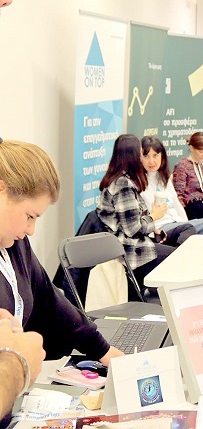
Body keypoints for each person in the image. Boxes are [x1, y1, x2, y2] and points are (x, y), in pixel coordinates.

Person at [0, 139, 123, 427]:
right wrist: (18, 364)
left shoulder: (14, 245)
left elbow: (50, 299)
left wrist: (104, 350)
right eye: (29, 216)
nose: (31, 229)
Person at [97, 134, 195, 296]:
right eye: (142, 154)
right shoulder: (123, 186)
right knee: (178, 259)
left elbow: (131, 222)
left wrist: (153, 228)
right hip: (130, 250)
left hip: (134, 244)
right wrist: (154, 217)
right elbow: (133, 229)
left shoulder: (123, 181)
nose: (144, 159)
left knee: (180, 248)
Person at [140, 136, 203, 236]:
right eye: (146, 156)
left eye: (155, 155)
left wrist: (186, 224)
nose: (151, 161)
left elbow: (176, 203)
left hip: (176, 222)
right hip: (160, 227)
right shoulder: (138, 182)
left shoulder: (163, 178)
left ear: (162, 156)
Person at [172, 132, 203, 220]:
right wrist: (182, 218)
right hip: (191, 208)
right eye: (201, 151)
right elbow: (179, 195)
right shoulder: (182, 166)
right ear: (191, 148)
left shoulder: (202, 166)